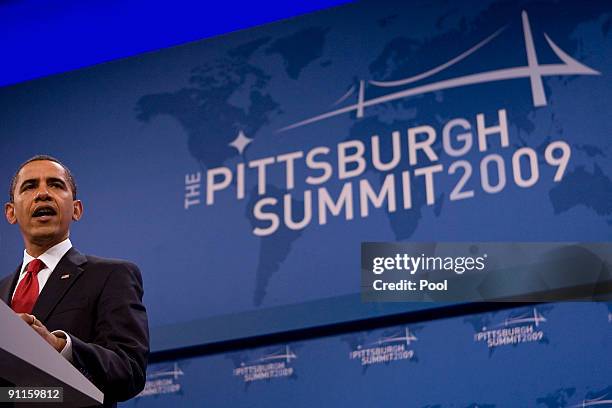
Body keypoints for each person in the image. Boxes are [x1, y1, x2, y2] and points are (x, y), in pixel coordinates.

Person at [0, 155, 149, 406]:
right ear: (11, 212)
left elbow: (129, 371)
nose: (43, 194)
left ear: (77, 209)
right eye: (30, 186)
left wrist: (59, 346)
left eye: (56, 185)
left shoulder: (112, 276)